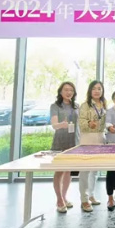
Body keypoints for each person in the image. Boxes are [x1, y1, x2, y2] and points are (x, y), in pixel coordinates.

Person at [50, 82, 79, 213]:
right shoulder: (55, 106)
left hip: (73, 142)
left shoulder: (76, 106)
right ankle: (59, 200)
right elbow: (54, 125)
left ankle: (64, 197)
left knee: (68, 171)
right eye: (66, 90)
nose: (69, 92)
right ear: (60, 92)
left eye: (71, 90)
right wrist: (62, 124)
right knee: (60, 171)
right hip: (60, 141)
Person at [78, 80, 106, 212]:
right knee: (85, 170)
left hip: (100, 138)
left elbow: (104, 122)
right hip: (87, 138)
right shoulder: (85, 105)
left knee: (94, 170)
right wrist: (89, 124)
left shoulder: (104, 104)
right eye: (94, 88)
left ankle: (91, 195)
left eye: (99, 88)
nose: (97, 91)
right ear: (90, 91)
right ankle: (84, 199)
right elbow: (81, 122)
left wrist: (109, 127)